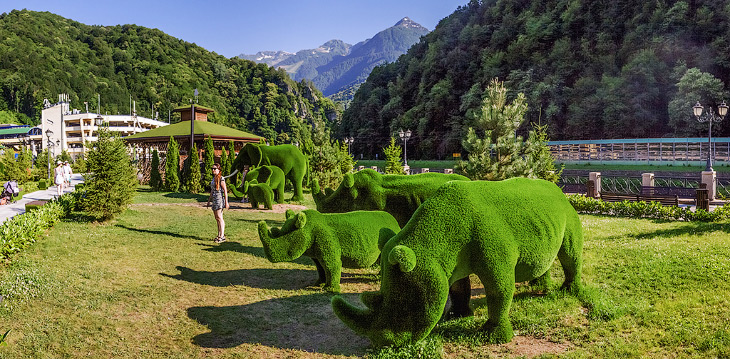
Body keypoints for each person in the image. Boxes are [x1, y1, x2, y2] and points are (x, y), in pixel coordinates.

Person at [207, 163, 229, 243]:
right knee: (217, 218)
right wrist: (209, 200)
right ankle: (219, 234)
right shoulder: (214, 178)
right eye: (212, 168)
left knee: (220, 217)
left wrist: (226, 202)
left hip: (219, 200)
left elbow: (225, 191)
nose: (213, 170)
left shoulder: (221, 178)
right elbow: (212, 190)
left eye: (214, 168)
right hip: (215, 200)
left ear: (219, 170)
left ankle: (222, 236)